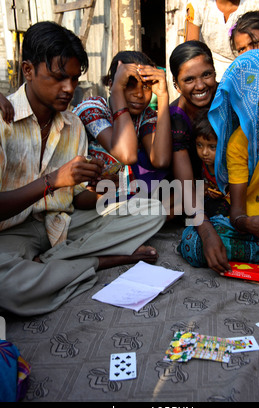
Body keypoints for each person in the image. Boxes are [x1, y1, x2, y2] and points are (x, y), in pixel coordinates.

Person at [0, 21, 166, 317]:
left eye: (74, 79)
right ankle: (100, 261)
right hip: (12, 232)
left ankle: (53, 265)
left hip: (65, 223)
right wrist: (52, 181)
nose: (69, 89)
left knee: (153, 209)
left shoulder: (72, 124)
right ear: (28, 70)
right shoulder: (3, 121)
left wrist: (102, 185)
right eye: (58, 77)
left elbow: (78, 201)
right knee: (4, 286)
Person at [179, 49, 259, 270]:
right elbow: (236, 214)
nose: (254, 103)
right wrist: (250, 223)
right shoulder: (236, 143)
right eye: (246, 97)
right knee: (192, 242)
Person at [73, 51, 172, 198]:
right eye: (128, 85)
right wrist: (118, 91)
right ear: (112, 85)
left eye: (146, 87)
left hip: (124, 196)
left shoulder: (145, 115)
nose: (139, 94)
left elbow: (161, 160)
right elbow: (127, 155)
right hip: (88, 197)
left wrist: (163, 96)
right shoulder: (92, 108)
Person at [169, 41, 231, 274]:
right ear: (176, 84)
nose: (200, 85)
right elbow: (186, 185)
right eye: (189, 80)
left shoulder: (226, 102)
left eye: (206, 75)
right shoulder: (176, 118)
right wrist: (206, 232)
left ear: (215, 73)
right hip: (194, 193)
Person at [184, 0, 259, 81]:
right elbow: (191, 50)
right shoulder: (199, 4)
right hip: (208, 70)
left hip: (246, 70)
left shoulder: (255, 5)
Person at [192, 107, 230, 218]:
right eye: (199, 145)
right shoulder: (203, 164)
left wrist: (223, 192)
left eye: (212, 147)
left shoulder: (228, 166)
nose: (204, 153)